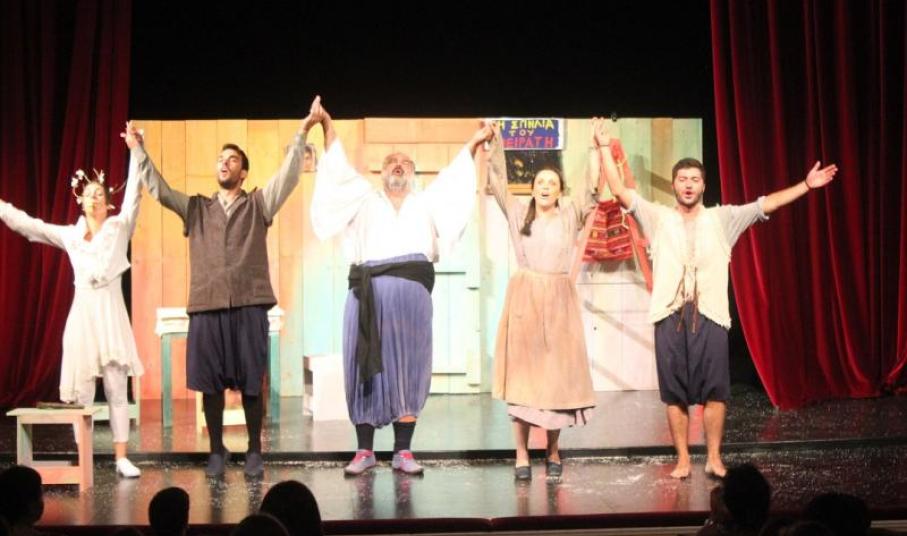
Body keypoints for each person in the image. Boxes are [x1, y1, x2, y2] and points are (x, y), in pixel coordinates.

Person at [594, 118, 838, 478]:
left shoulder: (723, 219)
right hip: (669, 314)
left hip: (710, 315)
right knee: (674, 393)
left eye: (694, 179)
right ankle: (682, 459)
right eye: (682, 179)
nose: (688, 185)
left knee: (715, 392)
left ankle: (713, 457)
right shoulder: (657, 217)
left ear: (703, 185)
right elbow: (619, 190)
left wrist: (805, 185)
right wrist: (603, 147)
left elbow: (765, 205)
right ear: (674, 184)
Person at [136, 97, 323, 477]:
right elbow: (159, 189)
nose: (224, 163)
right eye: (220, 159)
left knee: (252, 381)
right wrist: (137, 150)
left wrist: (303, 130)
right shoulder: (196, 208)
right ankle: (217, 450)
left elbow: (288, 176)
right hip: (208, 305)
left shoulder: (258, 204)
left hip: (249, 304)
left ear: (243, 171)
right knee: (210, 384)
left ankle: (254, 449)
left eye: (232, 159)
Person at [310, 103, 492, 475]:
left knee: (409, 368)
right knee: (364, 368)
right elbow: (336, 167)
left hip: (411, 303)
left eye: (404, 162)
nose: (397, 165)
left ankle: (403, 452)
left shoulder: (426, 202)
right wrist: (326, 123)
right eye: (390, 161)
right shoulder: (362, 197)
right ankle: (364, 451)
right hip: (368, 298)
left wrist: (476, 141)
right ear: (380, 173)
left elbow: (456, 175)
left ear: (413, 173)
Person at [0, 125, 147, 477]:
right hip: (82, 315)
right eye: (89, 194)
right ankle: (85, 457)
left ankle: (121, 457)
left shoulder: (120, 227)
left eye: (100, 194)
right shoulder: (70, 236)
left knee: (116, 386)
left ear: (108, 203)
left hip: (110, 314)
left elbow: (135, 192)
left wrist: (136, 150)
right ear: (80, 201)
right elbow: (31, 226)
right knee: (82, 391)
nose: (94, 198)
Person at [487, 123, 597, 480]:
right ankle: (521, 454)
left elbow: (591, 190)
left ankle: (552, 449)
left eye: (552, 182)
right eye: (540, 182)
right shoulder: (518, 212)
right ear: (532, 189)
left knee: (556, 381)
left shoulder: (570, 214)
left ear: (560, 190)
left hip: (560, 301)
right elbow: (497, 180)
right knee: (523, 382)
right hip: (526, 301)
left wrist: (595, 149)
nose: (546, 186)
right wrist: (496, 143)